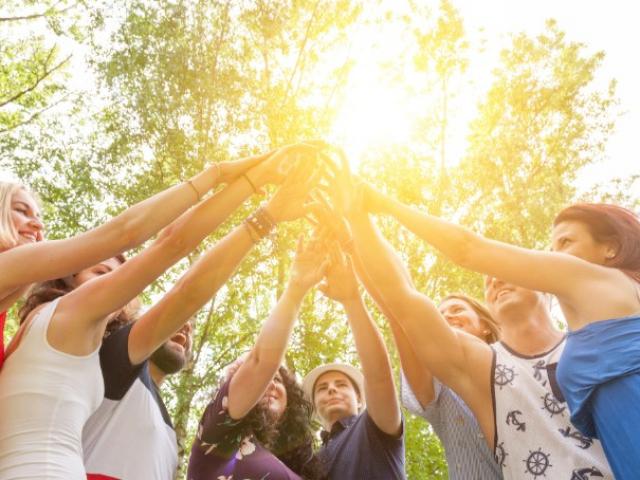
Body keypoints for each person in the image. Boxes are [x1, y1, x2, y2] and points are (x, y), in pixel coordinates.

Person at [0, 147, 322, 479]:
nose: (119, 283)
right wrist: (250, 191)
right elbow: (173, 258)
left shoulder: (17, 345)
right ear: (66, 274)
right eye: (102, 273)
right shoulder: (74, 318)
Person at [319, 166, 613, 479]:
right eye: (488, 281)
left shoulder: (597, 336)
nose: (496, 278)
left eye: (509, 271)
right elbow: (401, 303)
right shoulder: (480, 370)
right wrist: (358, 225)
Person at [0, 144, 310, 367]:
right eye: (20, 209)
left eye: (39, 215)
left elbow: (172, 253)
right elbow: (138, 235)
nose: (38, 223)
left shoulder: (17, 335)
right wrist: (221, 176)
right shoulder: (16, 277)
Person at [188, 235, 328, 480]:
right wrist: (296, 290)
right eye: (265, 379)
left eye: (278, 381)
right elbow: (261, 361)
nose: (271, 383)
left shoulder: (302, 465)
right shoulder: (219, 436)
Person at [302, 243, 405, 480]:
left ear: (360, 398)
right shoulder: (309, 462)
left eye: (341, 384)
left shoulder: (375, 429)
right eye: (322, 388)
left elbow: (378, 376)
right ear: (315, 406)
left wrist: (351, 299)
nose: (331, 389)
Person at [399, 294, 502, 480]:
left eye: (457, 309)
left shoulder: (512, 368)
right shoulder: (439, 387)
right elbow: (403, 320)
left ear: (485, 326)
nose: (446, 316)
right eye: (439, 315)